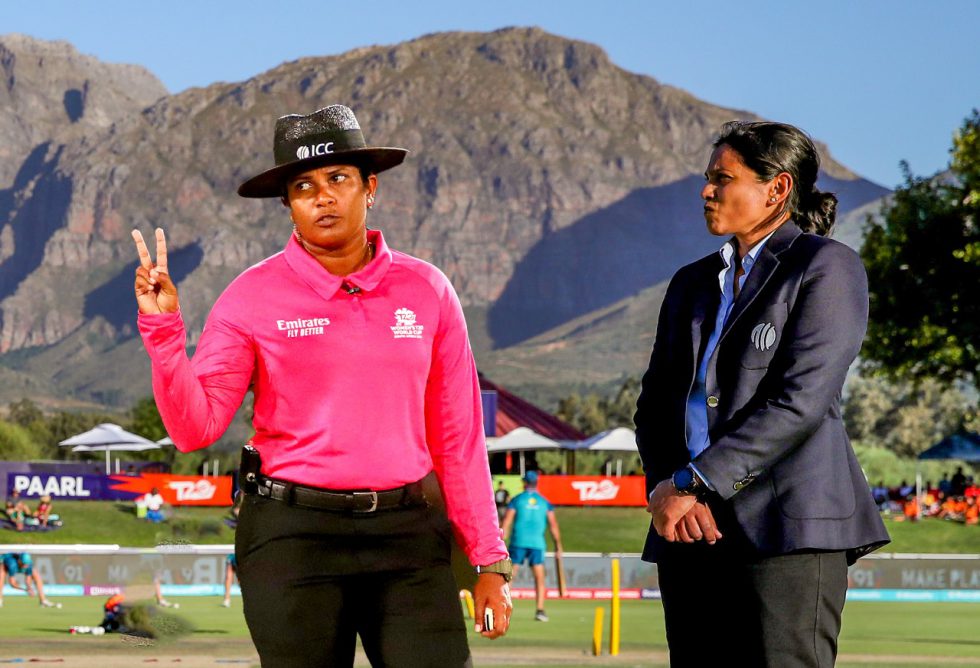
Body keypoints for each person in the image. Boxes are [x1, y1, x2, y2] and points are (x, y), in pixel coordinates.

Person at [131, 104, 511, 667]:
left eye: (338, 179)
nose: (323, 197)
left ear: (370, 187)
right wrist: (164, 331)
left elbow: (458, 438)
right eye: (304, 186)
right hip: (292, 537)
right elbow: (194, 430)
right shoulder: (250, 296)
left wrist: (489, 560)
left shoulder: (427, 289)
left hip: (408, 534)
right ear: (288, 205)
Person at [634, 120, 889, 667]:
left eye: (722, 178)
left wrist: (695, 481)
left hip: (786, 532)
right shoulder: (690, 283)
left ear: (777, 189)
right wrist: (665, 488)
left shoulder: (826, 266)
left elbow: (800, 402)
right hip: (687, 531)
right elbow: (654, 407)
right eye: (708, 178)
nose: (706, 191)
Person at [500, 471, 562, 622]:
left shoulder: (517, 500)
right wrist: (558, 545)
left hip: (518, 542)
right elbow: (553, 526)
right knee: (539, 578)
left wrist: (500, 542)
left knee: (510, 577)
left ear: (524, 483)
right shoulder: (544, 502)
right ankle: (540, 610)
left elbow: (506, 522)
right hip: (537, 544)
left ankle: (504, 610)